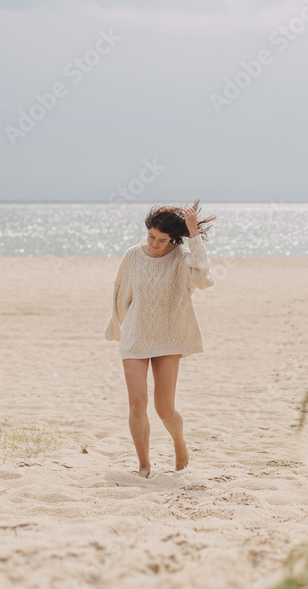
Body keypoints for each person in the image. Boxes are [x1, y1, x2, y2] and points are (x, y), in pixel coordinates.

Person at [104, 200, 216, 477]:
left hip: (169, 336)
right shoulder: (132, 255)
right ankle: (144, 465)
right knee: (137, 403)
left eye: (161, 239)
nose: (154, 243)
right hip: (135, 336)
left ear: (173, 238)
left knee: (164, 408)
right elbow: (121, 292)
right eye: (150, 236)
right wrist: (119, 327)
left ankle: (179, 442)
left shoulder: (182, 258)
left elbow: (205, 279)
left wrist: (195, 236)